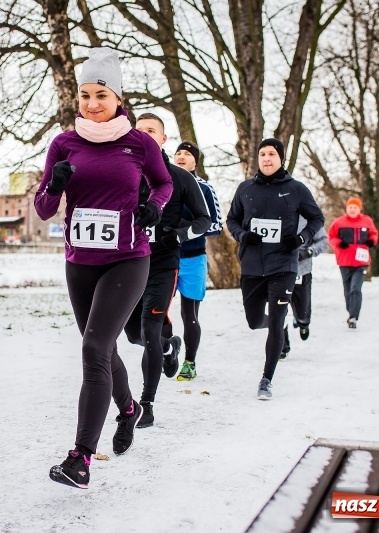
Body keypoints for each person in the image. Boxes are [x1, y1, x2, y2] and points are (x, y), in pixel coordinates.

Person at [34, 48, 172, 489]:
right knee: (104, 349)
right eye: (85, 94)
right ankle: (128, 407)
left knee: (94, 349)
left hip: (128, 258)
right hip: (81, 262)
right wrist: (54, 186)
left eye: (101, 95)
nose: (92, 104)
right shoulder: (64, 143)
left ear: (117, 98)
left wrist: (154, 205)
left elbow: (165, 181)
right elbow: (42, 208)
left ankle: (80, 458)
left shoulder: (140, 143)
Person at [123, 113, 212, 428]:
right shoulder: (123, 174)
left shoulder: (179, 176)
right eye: (140, 130)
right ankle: (170, 346)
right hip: (129, 263)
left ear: (162, 139)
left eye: (152, 131)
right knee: (133, 334)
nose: (145, 135)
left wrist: (181, 233)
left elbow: (204, 218)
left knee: (149, 331)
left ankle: (146, 404)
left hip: (163, 263)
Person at [227, 138, 324, 399]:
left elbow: (317, 218)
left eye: (271, 154)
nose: (266, 158)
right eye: (262, 154)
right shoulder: (245, 189)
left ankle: (266, 380)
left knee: (277, 320)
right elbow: (232, 219)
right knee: (254, 321)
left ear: (281, 158)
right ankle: (276, 327)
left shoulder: (297, 189)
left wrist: (302, 238)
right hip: (251, 266)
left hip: (284, 265)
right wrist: (243, 236)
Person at [164, 140, 223, 381]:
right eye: (177, 153)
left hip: (192, 259)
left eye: (186, 154)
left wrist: (184, 230)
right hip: (165, 258)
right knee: (158, 312)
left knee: (190, 314)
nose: (181, 156)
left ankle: (190, 361)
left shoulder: (205, 189)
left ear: (195, 162)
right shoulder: (165, 184)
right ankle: (167, 350)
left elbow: (216, 225)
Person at [280, 216, 328, 359]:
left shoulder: (308, 217)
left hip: (302, 269)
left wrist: (308, 252)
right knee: (278, 308)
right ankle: (282, 347)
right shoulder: (275, 212)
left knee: (302, 309)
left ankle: (303, 322)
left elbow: (323, 241)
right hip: (278, 269)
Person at [328, 196, 379, 329]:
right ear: (346, 208)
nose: (352, 209)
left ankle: (353, 316)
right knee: (347, 289)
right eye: (350, 207)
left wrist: (371, 241)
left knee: (356, 288)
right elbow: (331, 237)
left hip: (361, 260)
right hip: (344, 260)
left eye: (355, 207)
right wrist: (339, 243)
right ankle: (351, 311)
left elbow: (374, 233)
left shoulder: (366, 221)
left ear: (359, 209)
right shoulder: (339, 222)